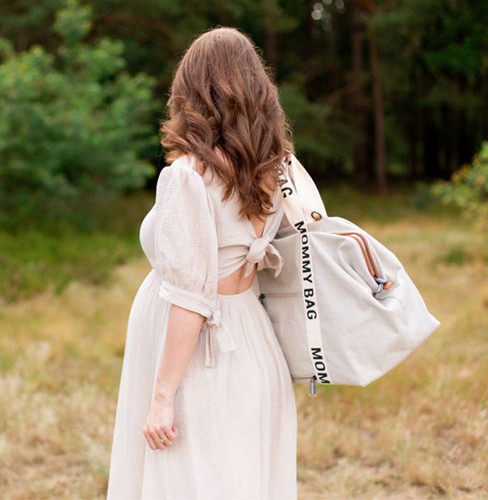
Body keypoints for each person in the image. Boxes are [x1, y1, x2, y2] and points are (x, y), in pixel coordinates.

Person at [107, 27, 297, 500]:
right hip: (253, 343)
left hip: (201, 358)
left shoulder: (187, 176)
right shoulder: (279, 168)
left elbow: (191, 298)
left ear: (191, 91)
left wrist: (162, 397)